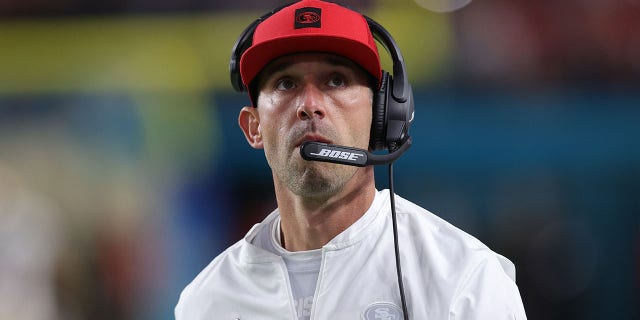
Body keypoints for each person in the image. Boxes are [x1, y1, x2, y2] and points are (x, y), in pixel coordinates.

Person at [175, 0, 527, 319]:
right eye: (285, 84)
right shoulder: (206, 302)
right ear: (253, 127)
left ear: (383, 116)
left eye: (336, 80)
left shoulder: (463, 280)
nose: (309, 104)